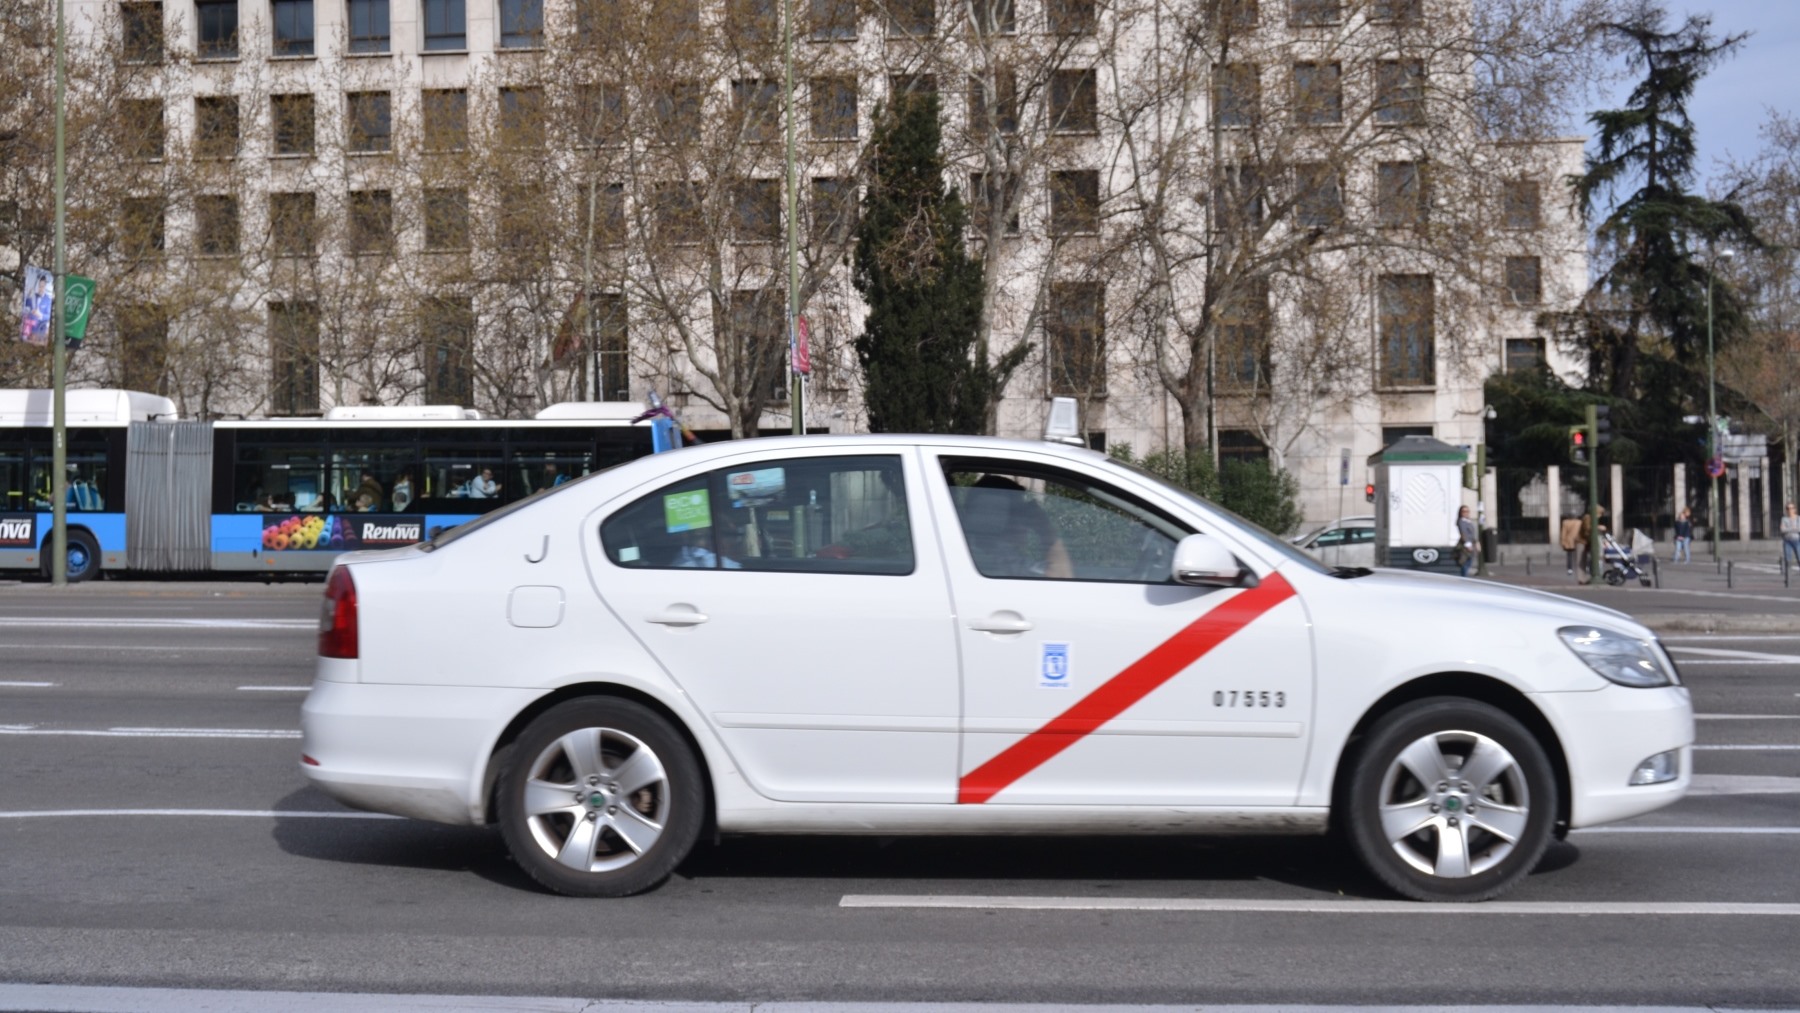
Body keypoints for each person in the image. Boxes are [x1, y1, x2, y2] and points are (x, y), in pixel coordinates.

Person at [957, 474, 1074, 579]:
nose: (1026, 523)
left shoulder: (974, 551)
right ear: (998, 519)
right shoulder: (1000, 557)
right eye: (1019, 513)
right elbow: (1062, 576)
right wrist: (1045, 529)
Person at [1455, 504, 1478, 578]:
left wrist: (1476, 542)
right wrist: (1468, 544)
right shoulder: (1461, 521)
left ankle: (1464, 576)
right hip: (1465, 545)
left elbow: (1473, 533)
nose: (1466, 513)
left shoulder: (1468, 521)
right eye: (1464, 511)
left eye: (1467, 511)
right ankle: (1464, 577)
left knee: (1469, 561)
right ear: (1460, 512)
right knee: (1465, 562)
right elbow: (1463, 533)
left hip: (1471, 543)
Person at [1783, 502, 1800, 568]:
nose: (1789, 510)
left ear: (1794, 509)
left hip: (1797, 540)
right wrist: (1793, 528)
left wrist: (1787, 528)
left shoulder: (1798, 518)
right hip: (1787, 541)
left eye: (1791, 508)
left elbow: (1799, 529)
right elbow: (1782, 530)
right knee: (1788, 559)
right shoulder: (1784, 519)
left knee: (1799, 557)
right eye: (1788, 508)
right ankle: (1788, 577)